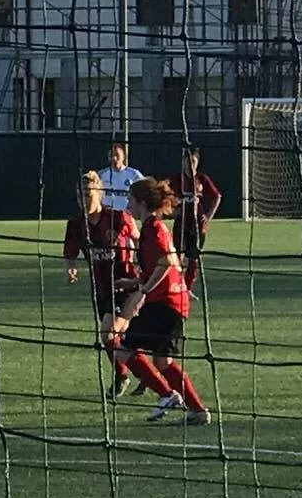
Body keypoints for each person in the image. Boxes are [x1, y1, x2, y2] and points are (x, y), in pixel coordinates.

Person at [107, 177, 210, 426]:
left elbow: (166, 262)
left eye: (131, 199)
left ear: (142, 202)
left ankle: (168, 396)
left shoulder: (153, 228)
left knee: (123, 349)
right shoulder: (151, 228)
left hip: (166, 302)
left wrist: (143, 290)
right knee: (161, 361)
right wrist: (133, 283)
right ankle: (195, 410)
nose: (128, 203)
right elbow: (161, 264)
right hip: (171, 301)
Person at [62, 171, 138, 396]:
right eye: (79, 195)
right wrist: (71, 268)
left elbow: (137, 238)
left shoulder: (118, 218)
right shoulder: (76, 224)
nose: (83, 199)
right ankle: (132, 374)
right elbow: (69, 254)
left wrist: (138, 258)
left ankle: (124, 375)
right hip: (101, 289)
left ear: (100, 194)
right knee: (118, 339)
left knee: (108, 335)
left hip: (126, 286)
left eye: (88, 194)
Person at [170, 147, 222, 288]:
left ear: (197, 162)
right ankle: (176, 284)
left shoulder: (202, 179)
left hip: (198, 223)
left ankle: (187, 287)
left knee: (193, 257)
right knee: (177, 255)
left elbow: (217, 196)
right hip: (181, 222)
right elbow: (166, 196)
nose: (190, 165)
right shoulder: (177, 179)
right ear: (183, 162)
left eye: (193, 161)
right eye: (188, 161)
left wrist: (209, 216)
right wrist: (173, 210)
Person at [96, 142, 144, 208]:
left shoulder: (134, 174)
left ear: (123, 156)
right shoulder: (101, 175)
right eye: (111, 156)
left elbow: (144, 193)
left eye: (117, 155)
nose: (114, 158)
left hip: (127, 215)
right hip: (107, 214)